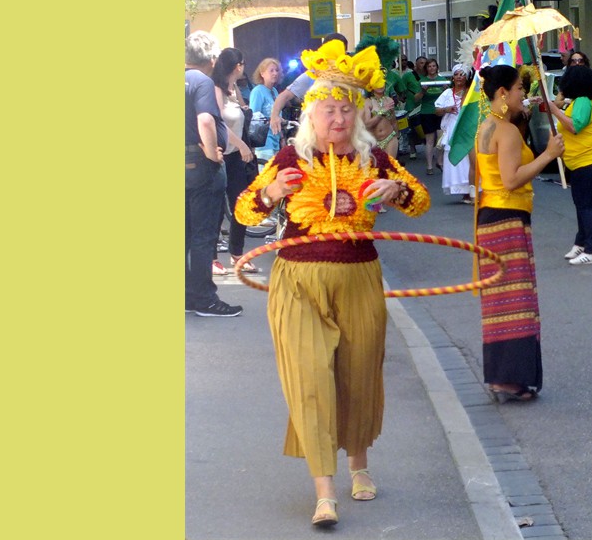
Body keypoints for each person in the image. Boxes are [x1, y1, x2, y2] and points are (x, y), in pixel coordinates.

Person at [234, 39, 431, 527]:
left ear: (358, 116)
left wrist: (398, 188)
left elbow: (420, 203)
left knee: (358, 374)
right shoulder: (288, 160)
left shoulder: (374, 161)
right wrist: (273, 193)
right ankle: (325, 490)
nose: (337, 119)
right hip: (297, 279)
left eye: (346, 110)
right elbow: (243, 208)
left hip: (359, 275)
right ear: (312, 117)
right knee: (309, 378)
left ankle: (358, 463)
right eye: (327, 110)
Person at [474, 64, 564, 402]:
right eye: (518, 90)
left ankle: (501, 376)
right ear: (502, 94)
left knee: (499, 300)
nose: (521, 94)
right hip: (508, 216)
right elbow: (511, 179)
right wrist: (548, 156)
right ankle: (510, 378)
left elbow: (479, 173)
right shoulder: (506, 131)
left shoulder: (487, 126)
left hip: (490, 214)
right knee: (516, 300)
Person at [184, 31, 243, 317]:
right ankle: (203, 299)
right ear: (211, 58)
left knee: (183, 234)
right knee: (204, 234)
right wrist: (211, 154)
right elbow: (206, 119)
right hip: (201, 167)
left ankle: (185, 295)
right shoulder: (202, 82)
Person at [547, 65, 592, 265]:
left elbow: (575, 126)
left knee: (585, 206)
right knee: (581, 205)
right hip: (581, 162)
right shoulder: (579, 101)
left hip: (590, 161)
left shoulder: (584, 101)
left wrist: (555, 110)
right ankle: (581, 243)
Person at [211, 47, 258, 275]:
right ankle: (212, 258)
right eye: (243, 64)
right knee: (217, 209)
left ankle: (237, 254)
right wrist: (240, 144)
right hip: (219, 157)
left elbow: (243, 115)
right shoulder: (217, 89)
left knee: (241, 204)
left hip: (238, 158)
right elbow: (218, 123)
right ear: (237, 65)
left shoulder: (234, 90)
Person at [269, 32, 349, 135]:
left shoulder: (351, 77)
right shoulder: (312, 75)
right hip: (316, 136)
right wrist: (274, 116)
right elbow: (284, 96)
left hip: (345, 135)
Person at [434, 63, 472, 203]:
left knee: (469, 158)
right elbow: (437, 110)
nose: (459, 77)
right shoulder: (447, 93)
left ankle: (471, 190)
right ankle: (462, 190)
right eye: (456, 74)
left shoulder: (470, 92)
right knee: (456, 158)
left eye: (462, 74)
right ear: (453, 77)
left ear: (466, 77)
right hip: (451, 128)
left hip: (467, 128)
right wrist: (446, 109)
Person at [249, 57, 284, 161]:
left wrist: (282, 137)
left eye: (277, 70)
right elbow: (254, 117)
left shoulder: (274, 91)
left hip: (275, 140)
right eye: (271, 70)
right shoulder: (258, 91)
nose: (275, 73)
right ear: (262, 73)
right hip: (264, 143)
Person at [417, 58, 446, 174]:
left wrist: (445, 90)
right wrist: (423, 92)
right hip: (427, 112)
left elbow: (448, 97)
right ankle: (429, 166)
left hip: (440, 112)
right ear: (426, 69)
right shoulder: (422, 81)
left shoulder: (443, 80)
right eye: (429, 66)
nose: (432, 68)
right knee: (429, 140)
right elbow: (416, 98)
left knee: (441, 139)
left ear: (437, 67)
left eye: (434, 66)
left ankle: (439, 161)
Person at [401, 56, 427, 160]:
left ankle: (427, 144)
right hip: (412, 106)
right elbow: (402, 88)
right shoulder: (408, 76)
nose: (423, 65)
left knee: (425, 128)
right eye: (421, 63)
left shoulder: (429, 76)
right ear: (416, 65)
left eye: (425, 63)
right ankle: (412, 149)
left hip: (425, 105)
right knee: (411, 129)